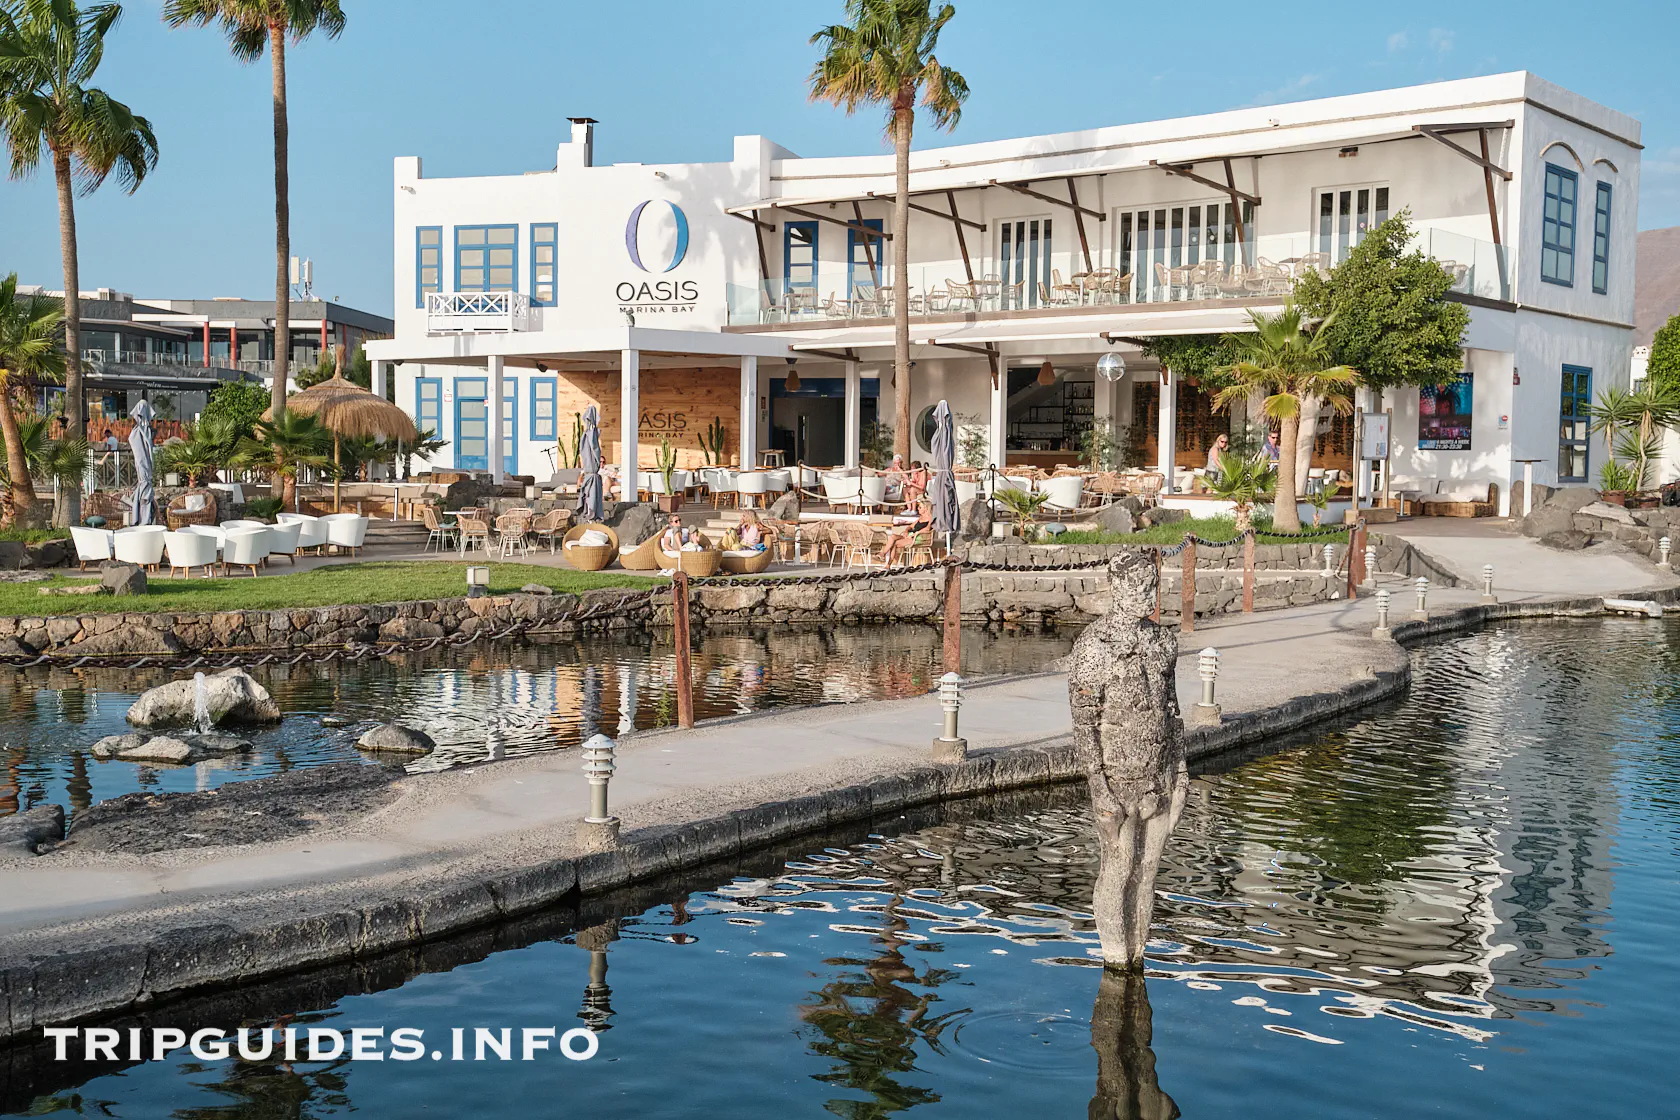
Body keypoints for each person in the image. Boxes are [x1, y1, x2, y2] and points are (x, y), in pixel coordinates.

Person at [884, 498, 933, 565]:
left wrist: (916, 533)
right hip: (911, 535)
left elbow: (927, 529)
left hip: (919, 537)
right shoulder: (920, 518)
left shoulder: (930, 518)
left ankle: (887, 564)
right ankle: (882, 554)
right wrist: (906, 531)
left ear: (926, 508)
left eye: (920, 507)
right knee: (893, 536)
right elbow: (910, 526)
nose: (918, 508)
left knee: (894, 544)